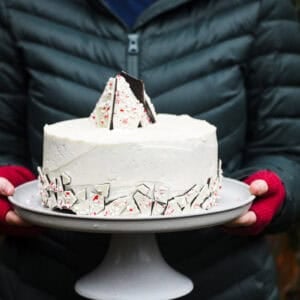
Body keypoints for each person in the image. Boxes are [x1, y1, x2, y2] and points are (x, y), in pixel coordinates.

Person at [0, 0, 299, 299]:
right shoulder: (17, 7)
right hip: (46, 281)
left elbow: (287, 149)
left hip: (226, 283)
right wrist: (10, 187)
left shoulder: (259, 6)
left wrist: (272, 188)